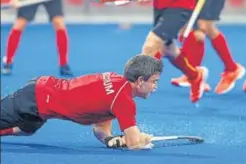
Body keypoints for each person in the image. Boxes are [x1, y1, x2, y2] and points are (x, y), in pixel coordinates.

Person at [0, 55, 162, 150]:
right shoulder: (124, 101)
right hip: (34, 98)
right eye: (154, 81)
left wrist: (108, 139)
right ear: (140, 81)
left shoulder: (117, 83)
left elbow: (100, 128)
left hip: (40, 106)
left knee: (26, 129)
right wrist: (142, 139)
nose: (155, 87)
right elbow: (134, 144)